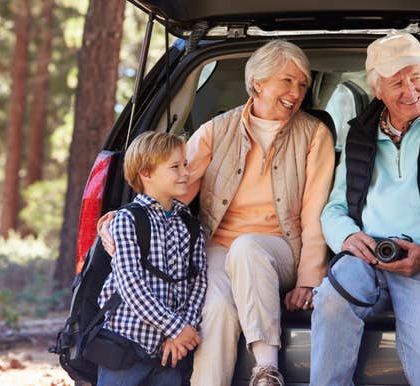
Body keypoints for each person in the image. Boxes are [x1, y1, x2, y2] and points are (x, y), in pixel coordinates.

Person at [98, 39, 335, 385]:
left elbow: (315, 211)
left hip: (280, 250)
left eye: (302, 84)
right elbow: (170, 185)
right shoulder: (215, 130)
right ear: (257, 83)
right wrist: (120, 219)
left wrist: (308, 279)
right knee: (215, 309)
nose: (296, 92)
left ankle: (266, 369)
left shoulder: (315, 135)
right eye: (287, 80)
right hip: (218, 247)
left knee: (248, 248)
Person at [310, 32, 420, 385]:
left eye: (416, 77)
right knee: (330, 300)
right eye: (397, 82)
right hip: (368, 253)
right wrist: (347, 236)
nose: (411, 90)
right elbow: (335, 207)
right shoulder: (359, 133)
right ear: (377, 89)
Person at [95, 132, 208, 386]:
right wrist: (176, 328)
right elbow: (130, 284)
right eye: (175, 167)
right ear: (146, 173)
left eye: (185, 165)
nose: (185, 173)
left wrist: (182, 330)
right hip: (127, 347)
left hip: (170, 354)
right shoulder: (127, 220)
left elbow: (198, 281)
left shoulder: (190, 225)